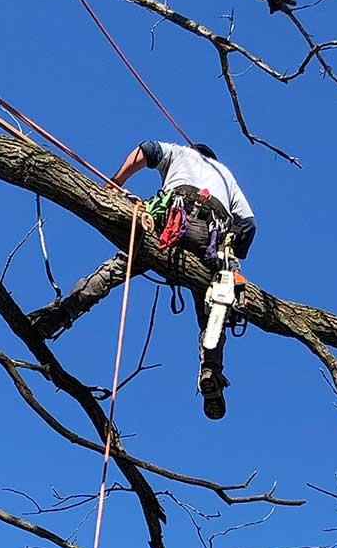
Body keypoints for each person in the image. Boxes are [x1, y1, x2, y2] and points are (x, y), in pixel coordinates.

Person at [29, 140, 258, 420]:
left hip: (170, 225)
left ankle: (60, 315)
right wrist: (231, 254)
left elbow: (146, 150)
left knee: (114, 270)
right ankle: (211, 370)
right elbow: (248, 225)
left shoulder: (181, 153)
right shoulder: (226, 175)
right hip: (208, 240)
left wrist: (115, 183)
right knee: (213, 312)